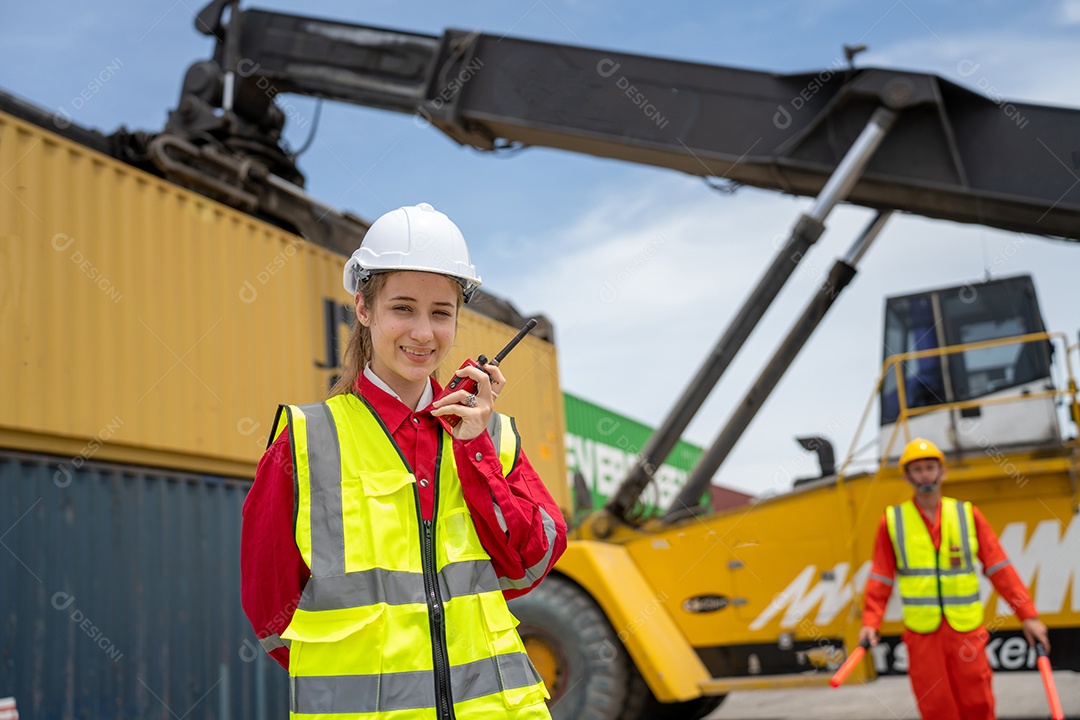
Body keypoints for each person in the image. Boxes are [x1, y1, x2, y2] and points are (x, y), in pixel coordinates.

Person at [241, 202, 566, 719]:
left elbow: (532, 560)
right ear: (364, 309)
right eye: (403, 308)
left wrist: (473, 450)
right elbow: (271, 611)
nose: (423, 332)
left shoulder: (491, 436)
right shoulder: (305, 441)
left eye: (441, 313)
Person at [857, 437, 1051, 720]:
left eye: (930, 467)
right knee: (936, 706)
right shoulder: (892, 521)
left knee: (978, 702)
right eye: (917, 469)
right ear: (907, 476)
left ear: (942, 471)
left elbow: (999, 568)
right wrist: (870, 622)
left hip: (966, 631)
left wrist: (1028, 615)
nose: (925, 474)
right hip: (923, 636)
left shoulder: (967, 514)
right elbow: (881, 577)